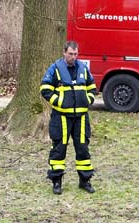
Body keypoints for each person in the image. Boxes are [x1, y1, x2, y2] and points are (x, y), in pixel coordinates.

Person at [40, 40, 97, 195]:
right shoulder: (55, 69)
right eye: (71, 54)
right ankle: (56, 182)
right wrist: (59, 102)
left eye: (76, 54)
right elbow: (45, 89)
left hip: (81, 117)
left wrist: (88, 100)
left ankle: (85, 181)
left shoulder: (83, 69)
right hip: (62, 117)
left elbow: (92, 86)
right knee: (59, 150)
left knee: (83, 149)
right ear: (64, 52)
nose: (73, 57)